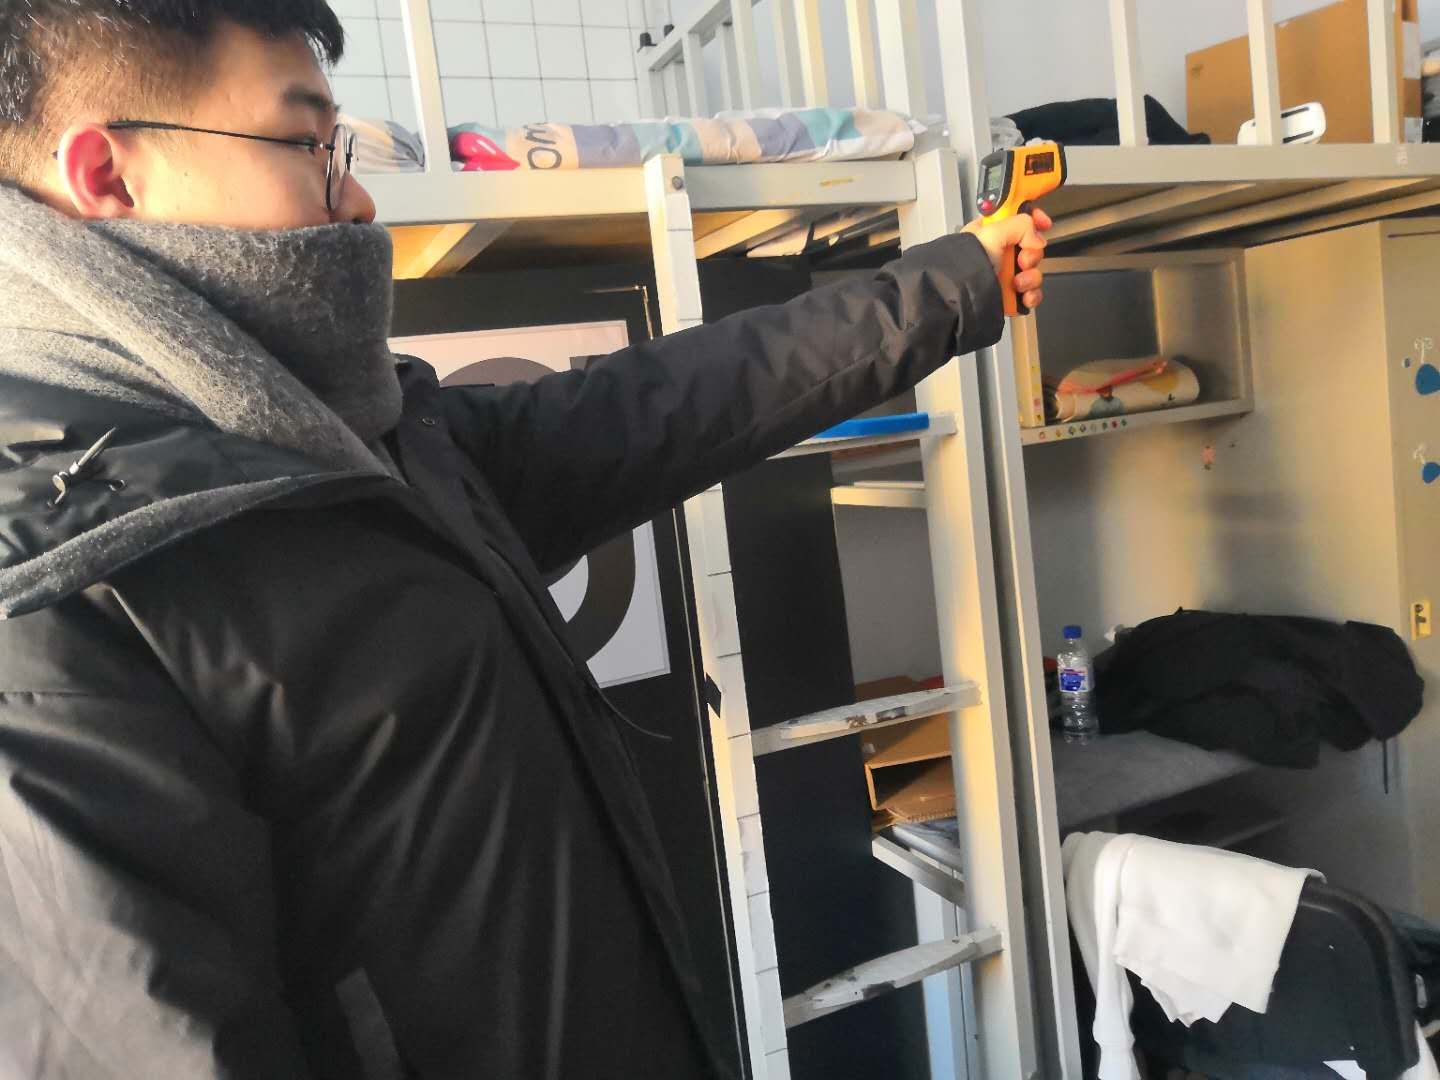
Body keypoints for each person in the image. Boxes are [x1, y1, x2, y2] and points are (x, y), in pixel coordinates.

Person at [0, 2, 1050, 1076]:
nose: (355, 198)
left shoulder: (368, 441)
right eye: (308, 144)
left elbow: (668, 402)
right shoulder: (54, 603)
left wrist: (957, 281)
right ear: (108, 175)